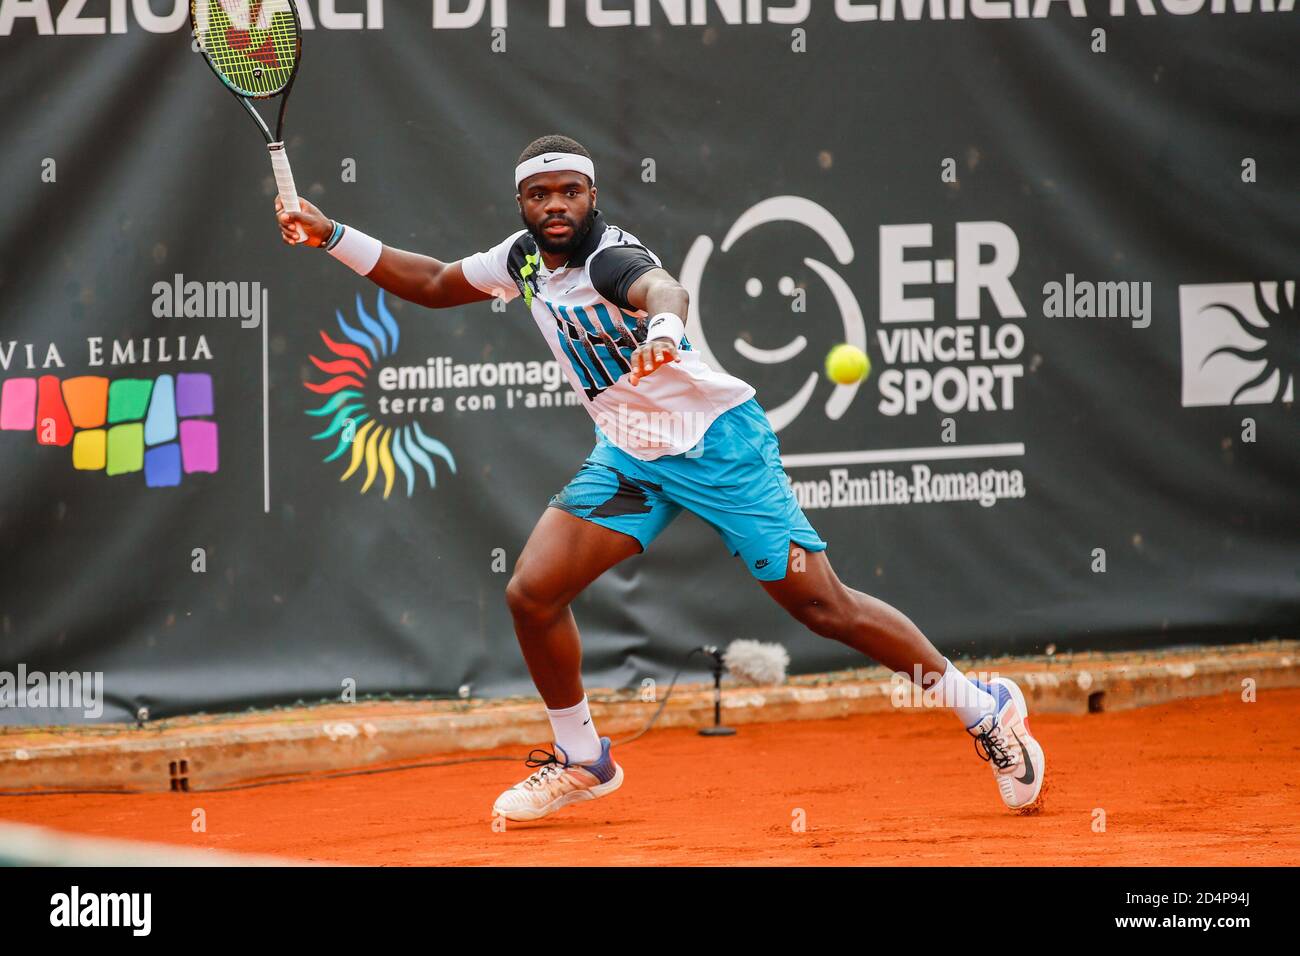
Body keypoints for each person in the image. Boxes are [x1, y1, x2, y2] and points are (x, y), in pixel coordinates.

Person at [275, 133, 1046, 821]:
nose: (555, 206)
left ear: (592, 198)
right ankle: (584, 758)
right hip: (631, 454)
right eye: (539, 194)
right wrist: (332, 234)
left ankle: (982, 705)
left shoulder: (611, 257)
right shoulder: (520, 260)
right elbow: (438, 282)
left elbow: (662, 290)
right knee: (533, 593)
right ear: (521, 203)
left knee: (824, 608)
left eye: (570, 192)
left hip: (719, 448)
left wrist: (667, 330)